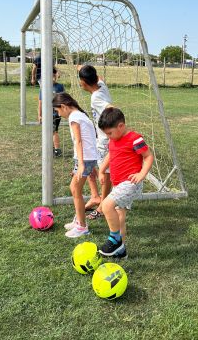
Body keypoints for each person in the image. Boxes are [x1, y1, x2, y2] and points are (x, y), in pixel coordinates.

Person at [97, 107, 154, 258]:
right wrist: (102, 170)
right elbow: (111, 154)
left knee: (106, 205)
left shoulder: (135, 139)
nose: (109, 137)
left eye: (110, 133)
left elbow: (148, 156)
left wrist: (142, 174)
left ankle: (114, 239)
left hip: (130, 183)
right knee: (119, 216)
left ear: (121, 126)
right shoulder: (114, 139)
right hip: (118, 184)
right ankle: (121, 251)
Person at [52, 92, 98, 238]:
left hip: (85, 159)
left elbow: (79, 141)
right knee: (75, 188)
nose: (59, 114)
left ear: (64, 106)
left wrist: (82, 164)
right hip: (87, 159)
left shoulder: (74, 118)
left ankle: (82, 227)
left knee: (74, 189)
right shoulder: (80, 115)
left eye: (58, 111)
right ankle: (79, 219)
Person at [78, 65, 113, 219]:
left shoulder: (96, 97)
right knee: (93, 167)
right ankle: (96, 197)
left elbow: (111, 109)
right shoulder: (101, 86)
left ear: (84, 82)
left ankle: (102, 207)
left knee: (105, 175)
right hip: (100, 138)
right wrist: (82, 67)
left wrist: (118, 129)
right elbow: (100, 78)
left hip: (105, 142)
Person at [39, 68, 64, 157]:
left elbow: (63, 100)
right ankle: (51, 148)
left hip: (55, 114)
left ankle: (57, 150)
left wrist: (62, 111)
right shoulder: (43, 88)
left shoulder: (59, 87)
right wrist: (40, 115)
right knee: (48, 131)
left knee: (54, 131)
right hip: (46, 114)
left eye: (53, 75)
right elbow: (40, 102)